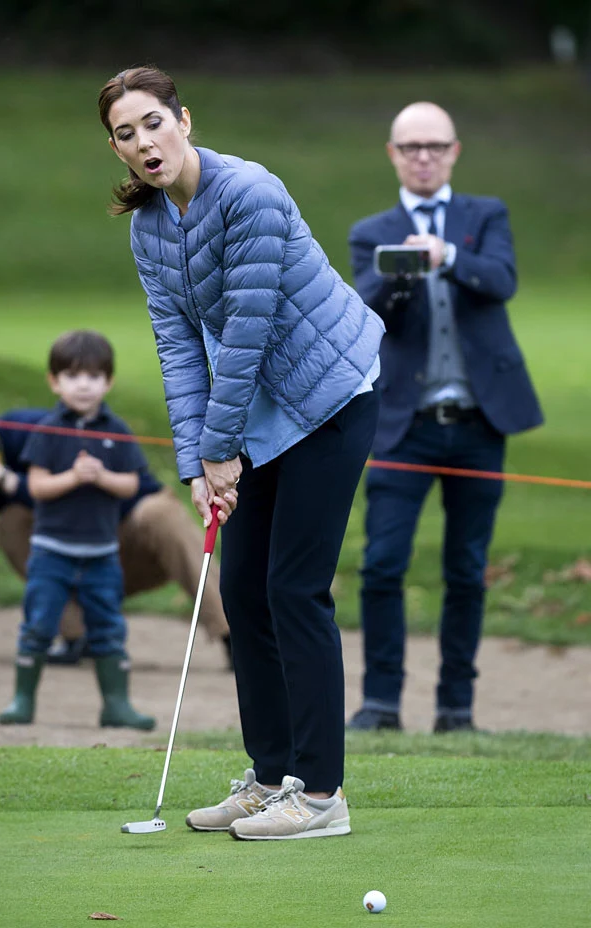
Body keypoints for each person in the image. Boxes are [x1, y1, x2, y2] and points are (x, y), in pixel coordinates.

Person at [98, 66, 384, 839]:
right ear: (118, 150)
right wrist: (196, 462)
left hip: (330, 397)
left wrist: (221, 449)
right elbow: (179, 347)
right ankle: (269, 778)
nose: (143, 143)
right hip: (258, 417)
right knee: (244, 594)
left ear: (183, 120)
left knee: (295, 591)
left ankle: (322, 797)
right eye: (125, 134)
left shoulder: (251, 191)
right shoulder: (149, 226)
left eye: (153, 122)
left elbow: (250, 331)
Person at [347, 102, 543, 733]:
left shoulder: (484, 216)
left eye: (435, 146)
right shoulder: (371, 229)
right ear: (392, 155)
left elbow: (503, 280)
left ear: (455, 151)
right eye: (411, 147)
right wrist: (402, 270)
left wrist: (447, 257)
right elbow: (367, 309)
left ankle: (456, 709)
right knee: (382, 565)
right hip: (403, 424)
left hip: (480, 422)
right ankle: (380, 703)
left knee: (466, 568)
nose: (423, 157)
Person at [0, 330, 156, 730]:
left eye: (94, 376)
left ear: (109, 381)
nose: (84, 385)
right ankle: (23, 701)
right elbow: (36, 487)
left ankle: (116, 706)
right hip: (51, 552)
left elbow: (132, 485)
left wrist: (102, 476)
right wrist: (72, 477)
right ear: (54, 381)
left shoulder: (116, 431)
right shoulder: (48, 430)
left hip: (102, 553)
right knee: (38, 624)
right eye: (72, 376)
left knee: (108, 627)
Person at [0, 408, 232, 668]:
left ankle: (231, 634)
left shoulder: (28, 426)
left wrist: (9, 481)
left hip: (128, 539)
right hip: (69, 557)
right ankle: (77, 636)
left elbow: (103, 491)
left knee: (161, 513)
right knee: (12, 522)